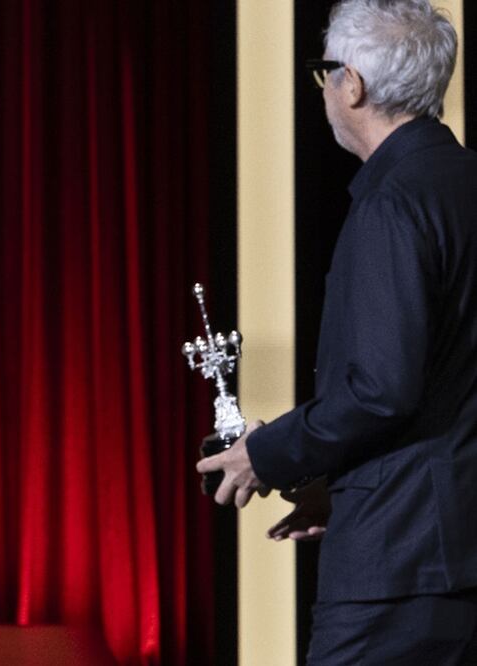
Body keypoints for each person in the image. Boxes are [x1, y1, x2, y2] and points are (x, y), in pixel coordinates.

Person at [197, 0, 477, 662]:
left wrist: (269, 454)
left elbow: (382, 388)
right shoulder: (462, 183)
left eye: (325, 73)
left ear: (351, 84)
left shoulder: (392, 201)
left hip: (396, 572)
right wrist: (346, 485)